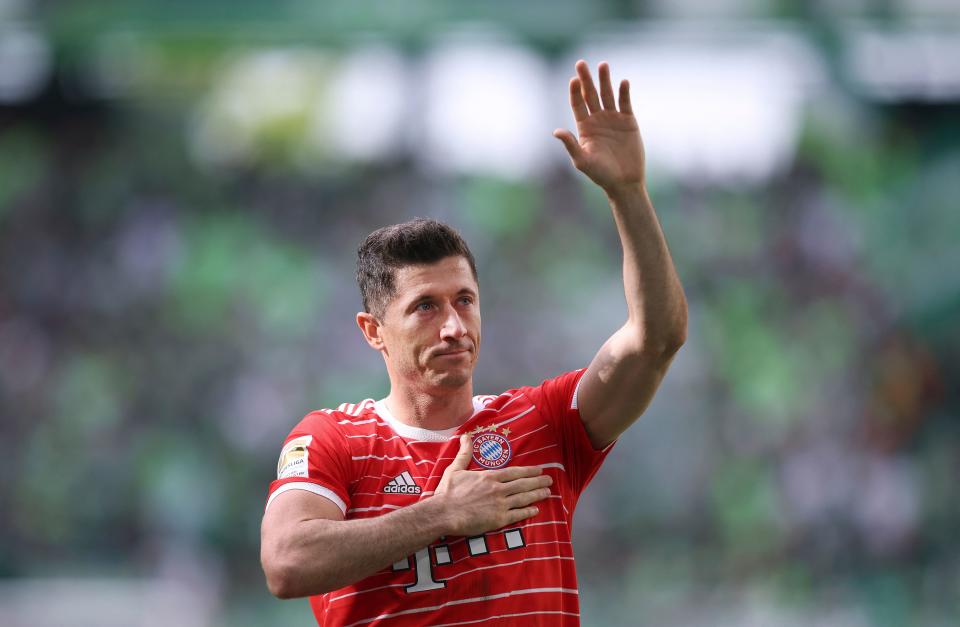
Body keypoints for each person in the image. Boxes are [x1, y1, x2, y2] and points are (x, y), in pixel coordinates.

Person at [260, 59, 687, 626]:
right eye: (425, 307)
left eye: (464, 300)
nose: (455, 327)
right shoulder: (334, 440)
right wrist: (440, 513)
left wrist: (628, 193)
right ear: (373, 332)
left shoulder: (543, 424)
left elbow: (656, 340)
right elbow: (286, 563)